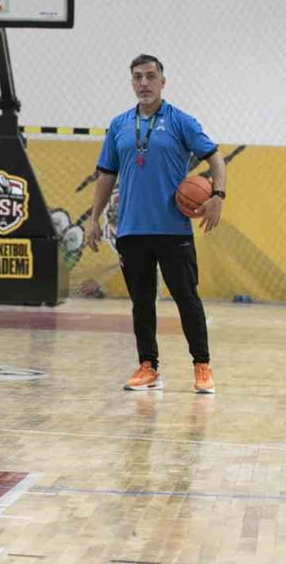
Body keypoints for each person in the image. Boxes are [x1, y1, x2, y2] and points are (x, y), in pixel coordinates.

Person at [87, 54, 223, 394]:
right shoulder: (118, 125)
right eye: (137, 77)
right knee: (142, 302)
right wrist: (93, 218)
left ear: (163, 81)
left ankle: (202, 365)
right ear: (131, 82)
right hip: (131, 230)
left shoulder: (181, 121)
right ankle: (148, 367)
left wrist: (217, 195)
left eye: (150, 76)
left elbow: (216, 158)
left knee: (185, 298)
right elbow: (106, 175)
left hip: (173, 228)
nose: (144, 83)